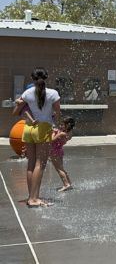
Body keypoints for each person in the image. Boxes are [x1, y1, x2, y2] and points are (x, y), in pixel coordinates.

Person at [14, 68, 60, 208]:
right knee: (40, 164)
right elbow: (58, 111)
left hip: (28, 129)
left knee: (31, 164)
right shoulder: (53, 93)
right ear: (46, 77)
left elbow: (18, 106)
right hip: (43, 128)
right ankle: (34, 199)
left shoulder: (27, 93)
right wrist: (54, 119)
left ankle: (32, 197)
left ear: (32, 78)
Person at [49, 117, 76, 192]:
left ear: (67, 125)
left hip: (54, 151)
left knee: (59, 169)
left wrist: (54, 132)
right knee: (62, 168)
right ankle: (69, 183)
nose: (60, 126)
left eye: (62, 125)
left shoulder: (61, 133)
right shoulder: (69, 133)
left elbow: (52, 140)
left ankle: (66, 184)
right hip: (60, 151)